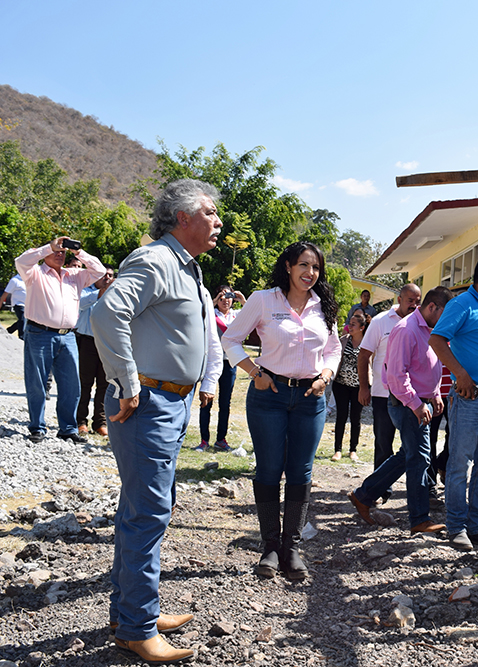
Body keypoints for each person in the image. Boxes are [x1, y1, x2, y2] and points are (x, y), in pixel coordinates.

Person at [91, 178, 224, 663]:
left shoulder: (185, 268)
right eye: (210, 213)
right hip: (146, 403)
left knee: (144, 510)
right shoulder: (156, 260)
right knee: (147, 515)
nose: (219, 222)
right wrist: (127, 383)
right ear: (182, 218)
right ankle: (136, 627)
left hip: (169, 404)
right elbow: (108, 315)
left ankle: (131, 611)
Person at [221, 241, 341, 581]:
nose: (310, 273)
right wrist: (253, 373)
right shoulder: (263, 300)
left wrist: (326, 376)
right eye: (304, 265)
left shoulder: (323, 306)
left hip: (309, 398)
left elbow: (334, 348)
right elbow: (230, 338)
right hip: (269, 395)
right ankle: (270, 547)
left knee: (301, 472)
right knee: (270, 469)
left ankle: (292, 547)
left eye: (316, 267)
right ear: (288, 266)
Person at [348, 287, 453, 534]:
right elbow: (396, 376)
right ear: (432, 307)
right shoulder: (406, 329)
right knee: (419, 459)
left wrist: (435, 394)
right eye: (445, 314)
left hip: (420, 401)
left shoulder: (430, 329)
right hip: (406, 404)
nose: (448, 321)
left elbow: (431, 366)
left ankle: (363, 495)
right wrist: (417, 404)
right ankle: (418, 519)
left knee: (408, 455)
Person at [429, 254, 478, 551]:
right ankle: (456, 526)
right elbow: (437, 340)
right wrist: (460, 373)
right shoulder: (462, 304)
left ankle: (476, 526)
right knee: (459, 463)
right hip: (469, 399)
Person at [16, 237, 105, 443]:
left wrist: (79, 252)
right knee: (37, 383)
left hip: (68, 336)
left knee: (71, 384)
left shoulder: (74, 275)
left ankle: (67, 428)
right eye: (56, 250)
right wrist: (48, 247)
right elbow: (21, 261)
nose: (60, 253)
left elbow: (99, 271)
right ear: (46, 251)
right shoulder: (35, 273)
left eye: (63, 251)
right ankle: (37, 427)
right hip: (40, 333)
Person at [358, 284, 421, 474]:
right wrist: (364, 387)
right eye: (410, 301)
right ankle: (380, 489)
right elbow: (363, 355)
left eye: (418, 302)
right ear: (399, 299)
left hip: (412, 396)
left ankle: (417, 488)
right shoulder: (380, 321)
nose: (414, 306)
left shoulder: (421, 323)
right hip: (383, 394)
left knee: (413, 445)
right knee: (383, 443)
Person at [197, 284, 246, 452]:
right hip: (211, 361)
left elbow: (253, 316)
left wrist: (242, 299)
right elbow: (201, 312)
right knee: (206, 401)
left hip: (229, 363)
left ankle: (221, 439)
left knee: (225, 402)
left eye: (229, 297)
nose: (226, 300)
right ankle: (204, 440)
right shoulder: (212, 314)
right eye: (222, 297)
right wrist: (214, 301)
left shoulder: (237, 315)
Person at [75, 268, 115, 436]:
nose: (107, 278)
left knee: (104, 385)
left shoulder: (116, 294)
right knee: (84, 384)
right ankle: (80, 421)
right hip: (87, 342)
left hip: (107, 342)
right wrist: (101, 292)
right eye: (104, 275)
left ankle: (100, 422)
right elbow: (81, 303)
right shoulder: (85, 290)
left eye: (111, 275)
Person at [330, 310, 369, 461]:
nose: (349, 326)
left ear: (361, 327)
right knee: (341, 416)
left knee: (355, 418)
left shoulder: (367, 343)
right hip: (341, 385)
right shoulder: (343, 340)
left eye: (353, 324)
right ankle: (337, 450)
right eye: (349, 323)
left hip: (359, 387)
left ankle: (353, 449)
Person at [1, 273, 27, 338]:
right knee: (22, 320)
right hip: (18, 304)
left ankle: (9, 330)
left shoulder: (28, 280)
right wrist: (0, 302)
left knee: (24, 319)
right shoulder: (15, 280)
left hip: (27, 305)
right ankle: (22, 337)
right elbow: (6, 292)